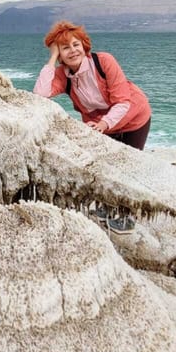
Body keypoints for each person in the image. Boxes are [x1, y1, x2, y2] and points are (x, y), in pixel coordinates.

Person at [33, 20, 152, 232]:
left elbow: (123, 101)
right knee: (106, 167)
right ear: (59, 53)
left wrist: (104, 123)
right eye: (65, 47)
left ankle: (127, 218)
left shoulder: (103, 61)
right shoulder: (63, 75)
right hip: (101, 125)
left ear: (84, 45)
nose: (72, 51)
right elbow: (40, 95)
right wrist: (51, 59)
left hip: (133, 117)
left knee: (128, 168)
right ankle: (107, 208)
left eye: (75, 44)